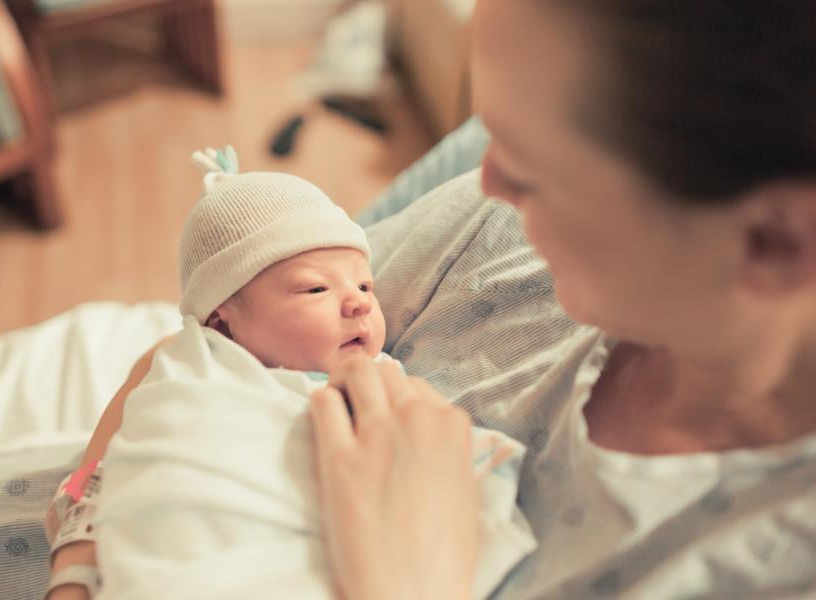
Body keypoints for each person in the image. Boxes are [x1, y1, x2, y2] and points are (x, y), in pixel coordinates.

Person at [306, 1, 816, 599]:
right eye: (489, 133)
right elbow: (209, 333)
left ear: (772, 243)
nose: (487, 179)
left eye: (531, 171)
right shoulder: (490, 228)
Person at [44, 147, 531, 599]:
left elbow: (425, 463)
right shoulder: (194, 362)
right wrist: (77, 543)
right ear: (222, 322)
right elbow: (130, 435)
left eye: (365, 283)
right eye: (316, 289)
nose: (360, 300)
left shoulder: (380, 378)